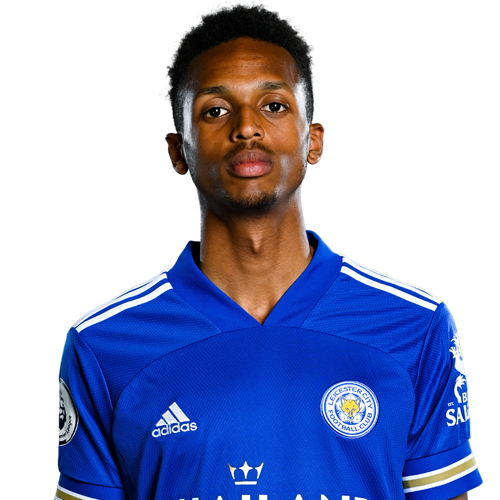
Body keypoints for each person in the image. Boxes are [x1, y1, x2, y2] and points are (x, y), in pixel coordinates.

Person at [56, 4, 482, 500]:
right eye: (216, 110)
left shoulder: (415, 326)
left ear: (314, 142)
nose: (246, 127)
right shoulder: (103, 345)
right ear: (177, 151)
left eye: (274, 106)